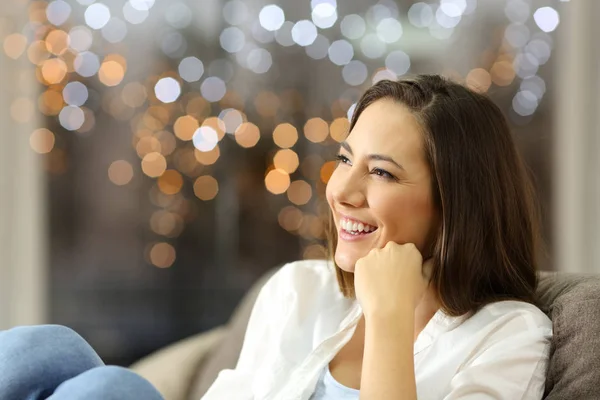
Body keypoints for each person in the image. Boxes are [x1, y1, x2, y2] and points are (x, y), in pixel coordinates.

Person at [202, 75, 552, 399]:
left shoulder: (509, 336)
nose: (341, 192)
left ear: (456, 203)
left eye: (381, 172)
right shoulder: (297, 290)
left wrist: (389, 317)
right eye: (344, 159)